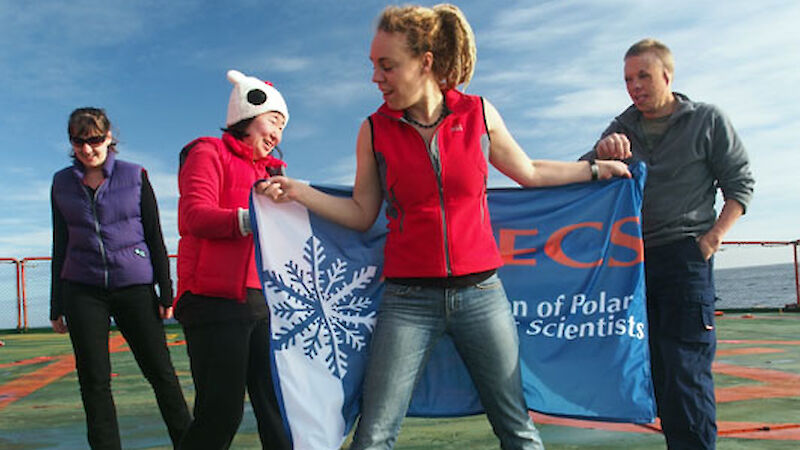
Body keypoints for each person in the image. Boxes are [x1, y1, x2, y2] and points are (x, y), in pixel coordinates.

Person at [260, 4, 630, 449]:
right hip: (407, 301)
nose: (376, 77)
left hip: (482, 296)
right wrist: (299, 191)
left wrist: (596, 170)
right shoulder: (374, 130)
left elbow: (530, 171)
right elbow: (362, 213)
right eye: (373, 66)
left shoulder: (477, 114)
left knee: (516, 427)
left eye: (387, 65)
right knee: (374, 434)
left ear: (425, 62)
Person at [580, 39, 755, 449]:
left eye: (643, 76)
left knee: (684, 373)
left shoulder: (707, 120)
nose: (634, 86)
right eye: (627, 79)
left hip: (685, 256)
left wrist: (710, 241)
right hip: (634, 265)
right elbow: (578, 177)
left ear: (666, 76)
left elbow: (740, 185)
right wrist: (600, 156)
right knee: (655, 372)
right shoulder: (619, 129)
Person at [50, 107, 191, 449]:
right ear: (72, 143)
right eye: (79, 141)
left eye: (95, 139)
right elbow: (61, 241)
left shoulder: (134, 175)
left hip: (134, 287)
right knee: (94, 381)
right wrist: (57, 305)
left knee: (161, 373)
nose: (87, 149)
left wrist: (165, 292)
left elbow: (155, 236)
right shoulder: (61, 183)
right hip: (82, 289)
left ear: (109, 138)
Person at [174, 69, 291, 450]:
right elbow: (195, 214)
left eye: (283, 127)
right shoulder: (208, 152)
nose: (278, 134)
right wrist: (250, 219)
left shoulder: (274, 174)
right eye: (273, 120)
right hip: (213, 300)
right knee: (221, 412)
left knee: (277, 407)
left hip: (262, 302)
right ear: (246, 113)